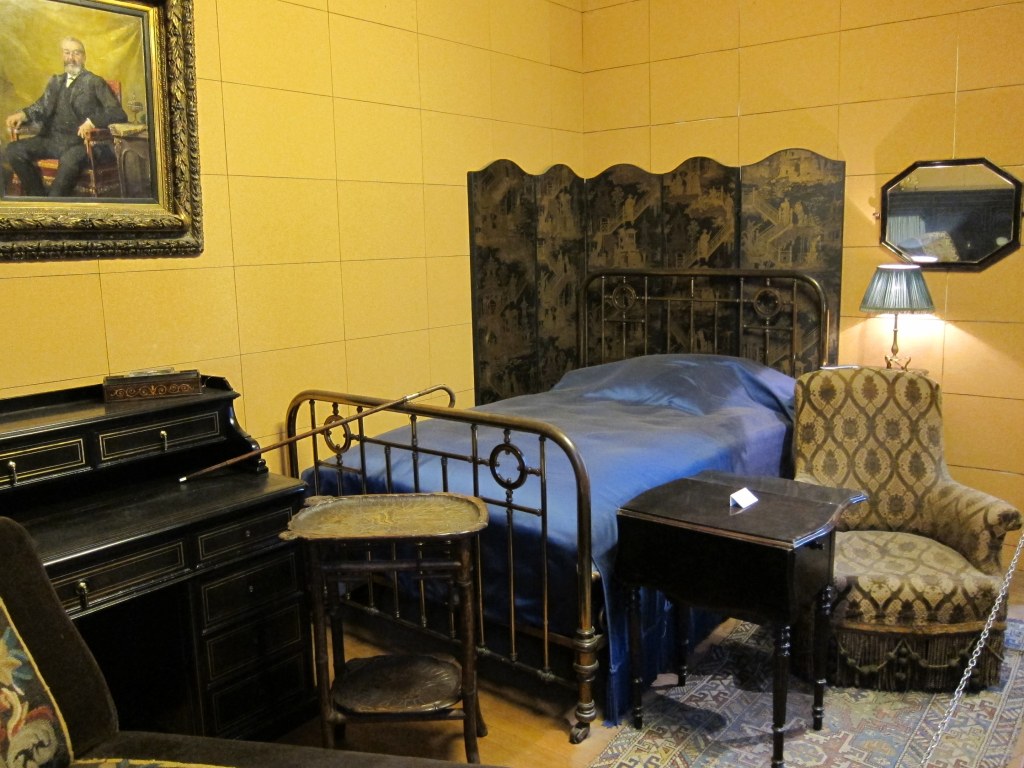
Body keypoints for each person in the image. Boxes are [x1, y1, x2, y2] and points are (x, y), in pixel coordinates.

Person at [3, 36, 126, 197]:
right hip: (52, 140)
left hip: (80, 143)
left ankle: (53, 204)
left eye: (76, 53)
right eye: (67, 53)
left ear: (84, 57)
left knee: (70, 159)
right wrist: (23, 114)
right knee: (13, 149)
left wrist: (92, 121)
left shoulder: (94, 82)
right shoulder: (56, 81)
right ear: (62, 56)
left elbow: (118, 112)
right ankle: (38, 197)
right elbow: (41, 106)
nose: (71, 58)